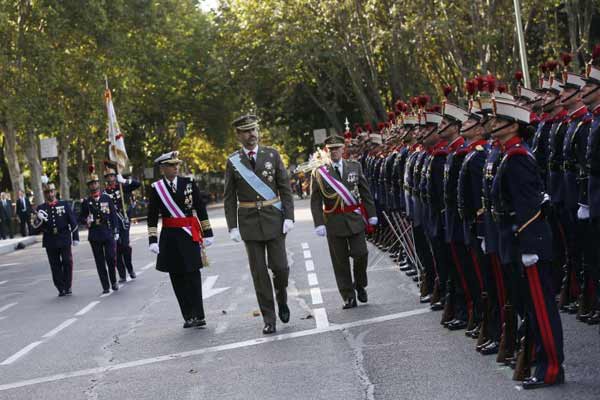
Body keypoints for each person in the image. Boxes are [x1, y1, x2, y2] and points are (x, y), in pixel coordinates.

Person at [489, 100, 564, 389]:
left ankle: (551, 370)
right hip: (523, 237)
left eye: (499, 122)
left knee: (542, 309)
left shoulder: (517, 157)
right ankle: (545, 362)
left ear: (513, 126)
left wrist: (529, 246)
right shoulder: (510, 155)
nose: (493, 126)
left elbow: (529, 204)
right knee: (535, 308)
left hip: (530, 240)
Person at [224, 114, 295, 334]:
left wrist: (289, 216)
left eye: (254, 129)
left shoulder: (272, 155)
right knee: (259, 274)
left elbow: (285, 188)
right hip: (249, 224)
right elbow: (229, 197)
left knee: (281, 268)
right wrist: (232, 226)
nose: (252, 134)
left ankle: (282, 299)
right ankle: (269, 318)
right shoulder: (233, 161)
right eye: (246, 131)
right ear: (238, 135)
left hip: (274, 220)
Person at [147, 151, 214, 329]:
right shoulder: (156, 188)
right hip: (170, 237)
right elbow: (152, 215)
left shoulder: (189, 183)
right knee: (177, 277)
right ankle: (188, 316)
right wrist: (152, 239)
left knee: (193, 275)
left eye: (177, 164)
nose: (176, 167)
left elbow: (200, 207)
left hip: (189, 234)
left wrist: (208, 232)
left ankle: (199, 315)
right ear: (162, 169)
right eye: (171, 165)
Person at [310, 134, 377, 309]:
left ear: (343, 149)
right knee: (340, 262)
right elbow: (315, 201)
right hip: (333, 221)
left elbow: (365, 192)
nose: (334, 152)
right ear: (327, 151)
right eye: (331, 149)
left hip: (354, 219)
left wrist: (371, 214)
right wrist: (319, 223)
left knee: (361, 253)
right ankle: (348, 295)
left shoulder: (354, 167)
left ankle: (360, 284)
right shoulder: (320, 173)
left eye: (337, 148)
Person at [31, 181, 79, 296]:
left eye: (51, 191)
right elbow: (35, 229)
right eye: (47, 192)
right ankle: (60, 287)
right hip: (50, 239)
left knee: (67, 262)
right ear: (44, 193)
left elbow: (73, 221)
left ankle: (68, 286)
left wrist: (75, 237)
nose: (50, 194)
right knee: (55, 265)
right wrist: (38, 219)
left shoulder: (64, 204)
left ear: (55, 192)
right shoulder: (41, 208)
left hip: (64, 237)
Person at [80, 167, 119, 295]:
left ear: (99, 184)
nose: (94, 186)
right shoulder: (86, 202)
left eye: (95, 183)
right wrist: (87, 220)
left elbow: (113, 215)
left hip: (107, 232)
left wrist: (116, 230)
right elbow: (81, 217)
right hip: (95, 234)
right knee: (100, 261)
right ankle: (105, 285)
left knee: (111, 258)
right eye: (91, 184)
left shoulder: (106, 198)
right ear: (89, 186)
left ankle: (113, 281)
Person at [103, 161, 141, 282]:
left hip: (123, 221)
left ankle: (130, 269)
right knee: (117, 248)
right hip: (114, 223)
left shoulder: (122, 187)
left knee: (125, 246)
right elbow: (105, 210)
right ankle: (122, 274)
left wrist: (124, 180)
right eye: (108, 177)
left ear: (115, 176)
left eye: (112, 176)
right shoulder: (105, 193)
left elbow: (137, 184)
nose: (110, 178)